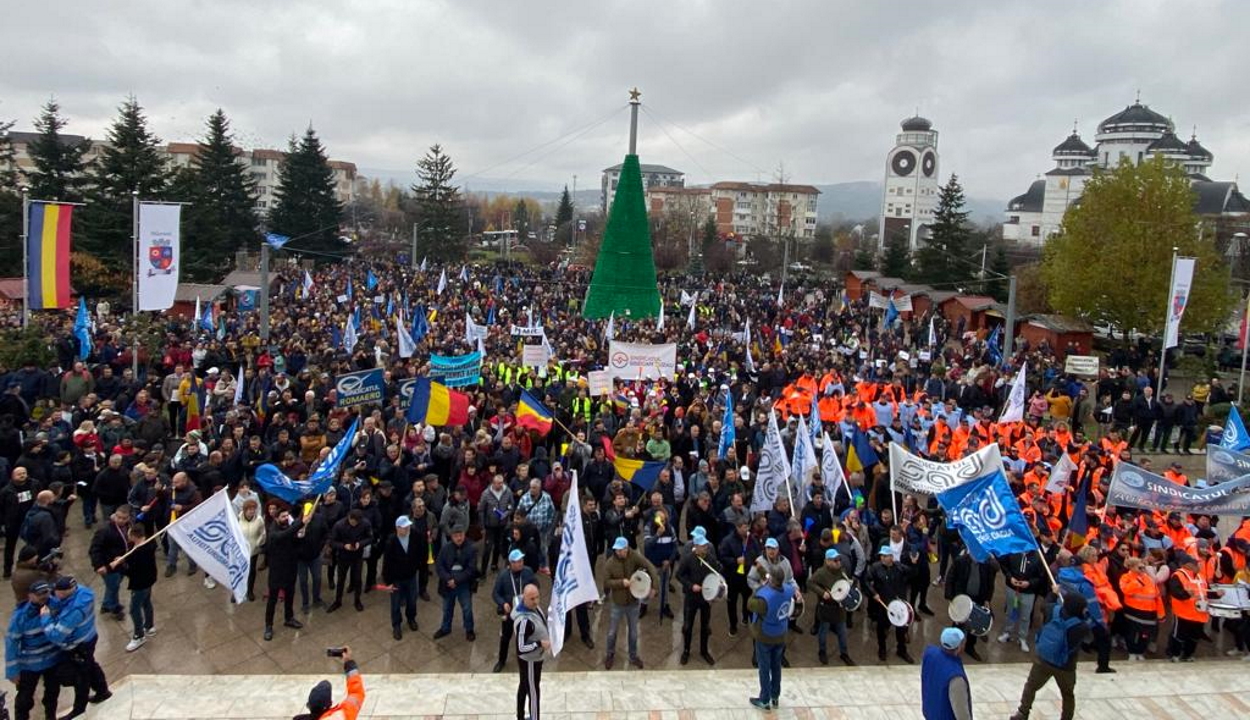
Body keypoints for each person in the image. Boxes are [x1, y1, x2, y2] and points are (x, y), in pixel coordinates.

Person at [1009, 593, 1090, 720]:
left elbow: (1044, 605)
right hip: (1065, 666)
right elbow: (1087, 622)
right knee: (1067, 694)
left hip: (1043, 659)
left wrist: (1053, 593)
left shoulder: (1052, 610)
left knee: (1031, 686)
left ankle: (1022, 713)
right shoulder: (1080, 627)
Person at [40, 576, 110, 718]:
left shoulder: (74, 612)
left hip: (78, 645)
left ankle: (79, 709)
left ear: (66, 592)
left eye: (57, 592)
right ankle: (102, 690)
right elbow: (63, 603)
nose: (54, 594)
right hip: (89, 637)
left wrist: (45, 617)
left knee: (81, 678)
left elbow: (55, 635)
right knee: (91, 665)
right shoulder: (84, 592)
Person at [5, 580, 63, 720]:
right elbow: (11, 642)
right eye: (39, 594)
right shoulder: (20, 617)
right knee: (24, 700)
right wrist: (12, 671)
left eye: (46, 592)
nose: (44, 596)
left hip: (53, 660)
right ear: (30, 596)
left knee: (52, 694)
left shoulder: (57, 606)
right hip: (30, 665)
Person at [601, 536, 659, 669]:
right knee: (612, 632)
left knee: (633, 633)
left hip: (633, 602)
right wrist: (621, 582)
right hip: (617, 603)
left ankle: (633, 656)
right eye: (617, 550)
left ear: (627, 549)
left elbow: (649, 565)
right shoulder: (610, 563)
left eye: (622, 550)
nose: (619, 552)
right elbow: (606, 582)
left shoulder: (633, 557)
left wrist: (655, 586)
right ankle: (610, 655)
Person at [746, 568, 796, 711]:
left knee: (764, 668)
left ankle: (764, 699)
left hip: (765, 635)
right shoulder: (788, 590)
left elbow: (750, 604)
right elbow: (792, 590)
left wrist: (759, 588)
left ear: (771, 580)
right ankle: (775, 696)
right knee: (776, 667)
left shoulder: (764, 598)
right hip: (781, 633)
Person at [675, 534, 719, 665]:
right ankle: (686, 650)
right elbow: (679, 575)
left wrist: (714, 593)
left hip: (706, 599)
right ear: (696, 547)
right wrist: (690, 585)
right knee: (688, 626)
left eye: (706, 546)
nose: (706, 548)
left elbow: (715, 576)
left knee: (705, 626)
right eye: (703, 546)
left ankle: (704, 651)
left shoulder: (711, 559)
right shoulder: (688, 559)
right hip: (691, 598)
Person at [806, 547, 855, 666]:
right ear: (827, 561)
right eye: (835, 560)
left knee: (842, 633)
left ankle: (844, 653)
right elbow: (810, 583)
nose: (838, 562)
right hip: (826, 609)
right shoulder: (821, 573)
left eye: (839, 560)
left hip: (840, 608)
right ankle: (822, 652)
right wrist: (822, 593)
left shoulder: (842, 571)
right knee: (823, 632)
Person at [264, 507, 306, 641]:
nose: (286, 518)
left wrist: (300, 536)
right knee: (272, 599)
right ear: (276, 518)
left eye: (287, 515)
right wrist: (301, 522)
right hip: (277, 571)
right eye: (283, 516)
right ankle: (268, 626)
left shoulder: (289, 528)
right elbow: (283, 536)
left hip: (290, 568)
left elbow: (294, 542)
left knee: (290, 595)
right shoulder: (273, 531)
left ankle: (289, 617)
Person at [866, 544, 913, 663]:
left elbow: (912, 574)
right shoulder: (875, 568)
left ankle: (901, 649)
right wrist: (873, 593)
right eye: (882, 556)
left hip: (899, 603)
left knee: (901, 629)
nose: (882, 558)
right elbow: (866, 581)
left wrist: (913, 564)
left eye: (885, 556)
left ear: (891, 557)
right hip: (884, 604)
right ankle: (882, 648)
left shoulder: (899, 568)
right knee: (881, 628)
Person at [492, 548, 537, 673]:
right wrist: (503, 603)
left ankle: (527, 659)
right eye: (517, 561)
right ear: (511, 563)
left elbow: (536, 585)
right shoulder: (503, 576)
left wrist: (531, 595)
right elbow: (495, 593)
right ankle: (501, 660)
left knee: (526, 636)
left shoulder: (528, 572)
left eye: (522, 560)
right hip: (510, 612)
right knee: (505, 637)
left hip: (526, 611)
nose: (521, 563)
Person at [117, 523, 157, 652]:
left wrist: (122, 564)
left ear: (134, 536)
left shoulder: (138, 553)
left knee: (134, 609)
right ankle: (149, 626)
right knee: (146, 602)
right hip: (149, 579)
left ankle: (139, 635)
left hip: (140, 583)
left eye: (129, 535)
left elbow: (131, 571)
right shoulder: (149, 544)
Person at [295, 646, 365, 720]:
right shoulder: (341, 716)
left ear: (309, 705)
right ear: (330, 703)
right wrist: (348, 662)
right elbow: (356, 693)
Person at [381, 516, 422, 640]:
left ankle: (411, 619)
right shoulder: (391, 542)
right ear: (398, 528)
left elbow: (420, 552)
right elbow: (386, 563)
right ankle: (396, 625)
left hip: (411, 575)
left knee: (412, 599)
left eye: (408, 526)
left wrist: (417, 566)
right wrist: (388, 583)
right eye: (404, 527)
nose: (407, 529)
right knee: (396, 603)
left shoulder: (414, 535)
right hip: (396, 579)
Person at [433, 528, 478, 641]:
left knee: (467, 608)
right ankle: (445, 628)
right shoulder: (445, 548)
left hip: (464, 585)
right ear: (451, 537)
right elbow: (439, 566)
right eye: (456, 536)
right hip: (448, 585)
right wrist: (448, 579)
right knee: (447, 608)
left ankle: (469, 629)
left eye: (461, 535)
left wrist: (456, 580)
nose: (459, 538)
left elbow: (471, 569)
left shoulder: (471, 548)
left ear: (464, 535)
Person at [87, 505, 130, 621]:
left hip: (121, 563)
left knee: (112, 586)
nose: (120, 520)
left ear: (128, 518)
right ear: (114, 515)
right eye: (118, 517)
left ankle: (106, 604)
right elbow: (94, 549)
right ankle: (115, 608)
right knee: (113, 587)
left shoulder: (128, 527)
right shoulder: (105, 530)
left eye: (124, 518)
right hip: (108, 565)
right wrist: (98, 565)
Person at [921, 627, 973, 720]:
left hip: (930, 713)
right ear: (959, 647)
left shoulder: (929, 653)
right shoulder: (956, 677)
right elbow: (961, 713)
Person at [513, 583, 549, 720]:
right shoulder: (524, 621)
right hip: (530, 661)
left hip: (535, 658)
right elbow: (521, 648)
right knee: (533, 692)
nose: (536, 601)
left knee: (523, 686)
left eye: (537, 597)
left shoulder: (534, 608)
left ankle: (520, 716)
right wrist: (539, 643)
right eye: (532, 599)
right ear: (524, 599)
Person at [327, 509, 373, 613]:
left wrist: (360, 544)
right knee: (341, 580)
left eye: (357, 522)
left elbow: (370, 538)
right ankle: (337, 601)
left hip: (357, 556)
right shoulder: (339, 525)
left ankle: (357, 600)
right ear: (349, 518)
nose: (354, 524)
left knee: (358, 579)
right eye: (353, 522)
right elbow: (332, 542)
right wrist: (344, 546)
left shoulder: (365, 524)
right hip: (343, 556)